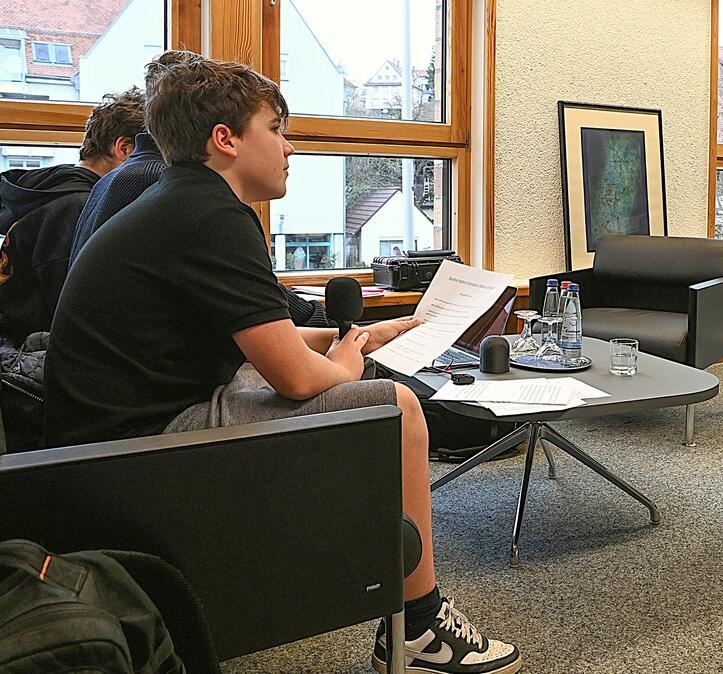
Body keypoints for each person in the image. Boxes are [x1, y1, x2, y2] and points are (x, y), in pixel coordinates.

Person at [45, 55, 521, 674]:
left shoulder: (184, 201)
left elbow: (268, 336)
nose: (290, 146)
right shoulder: (211, 214)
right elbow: (295, 376)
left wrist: (359, 336)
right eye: (276, 128)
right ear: (227, 139)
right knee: (396, 409)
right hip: (132, 448)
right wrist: (348, 364)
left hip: (121, 424)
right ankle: (421, 626)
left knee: (355, 380)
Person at [68, 50, 335, 329]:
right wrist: (324, 324)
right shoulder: (172, 189)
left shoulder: (121, 179)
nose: (288, 147)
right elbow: (241, 290)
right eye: (274, 128)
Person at [0, 88, 145, 343]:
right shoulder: (78, 208)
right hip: (33, 350)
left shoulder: (49, 188)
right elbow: (73, 313)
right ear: (125, 149)